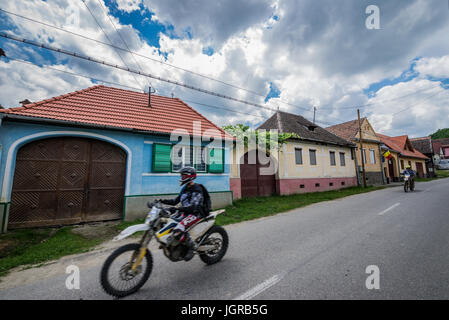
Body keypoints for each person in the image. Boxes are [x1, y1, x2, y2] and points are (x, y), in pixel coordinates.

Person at [157, 166, 209, 261]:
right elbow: (175, 201)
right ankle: (173, 245)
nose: (181, 178)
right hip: (185, 213)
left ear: (190, 176)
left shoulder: (197, 189)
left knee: (179, 228)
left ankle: (192, 248)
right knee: (168, 222)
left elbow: (194, 207)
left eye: (183, 176)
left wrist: (177, 208)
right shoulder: (185, 188)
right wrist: (161, 201)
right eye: (181, 176)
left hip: (196, 214)